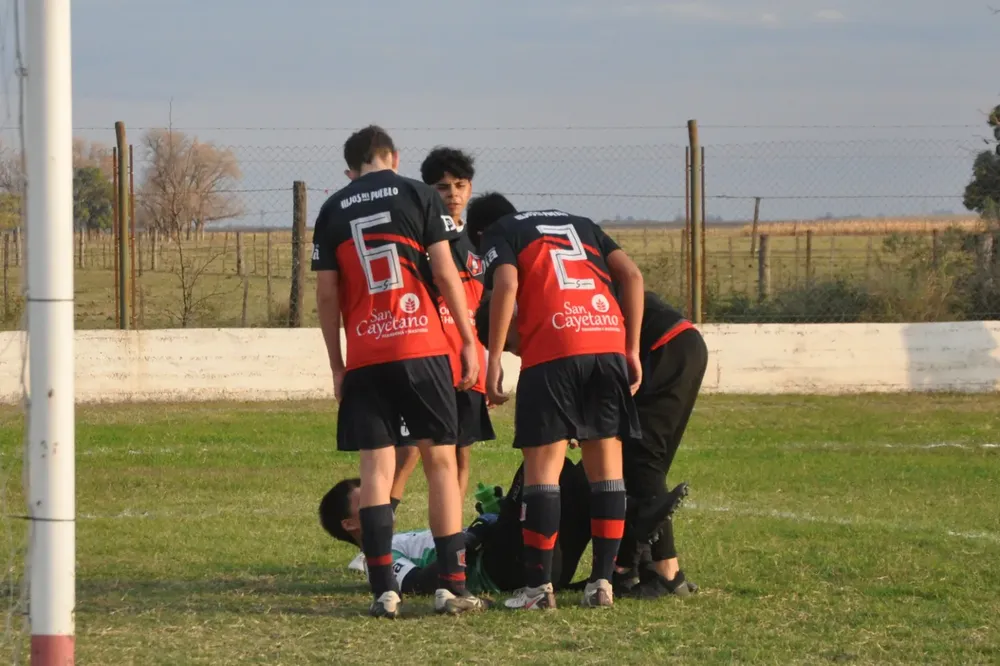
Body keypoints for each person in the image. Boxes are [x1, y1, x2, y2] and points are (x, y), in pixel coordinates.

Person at [310, 125, 488, 618]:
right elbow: (445, 271)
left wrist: (337, 365)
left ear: (351, 169)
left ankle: (384, 590)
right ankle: (451, 587)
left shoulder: (332, 208)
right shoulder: (418, 194)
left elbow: (325, 295)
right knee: (440, 462)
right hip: (422, 346)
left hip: (367, 354)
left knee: (376, 469)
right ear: (394, 157)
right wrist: (467, 340)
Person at [472, 192, 646, 610]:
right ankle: (602, 584)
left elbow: (507, 283)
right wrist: (632, 348)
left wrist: (493, 359)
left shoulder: (500, 231)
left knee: (543, 474)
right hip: (605, 341)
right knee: (607, 474)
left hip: (553, 349)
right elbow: (633, 276)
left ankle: (537, 590)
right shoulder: (583, 223)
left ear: (479, 234)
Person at [474, 286, 706, 599]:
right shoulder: (558, 293)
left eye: (509, 344)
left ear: (510, 317)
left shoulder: (545, 306)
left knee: (640, 459)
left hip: (663, 347)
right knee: (626, 463)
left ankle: (667, 574)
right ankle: (627, 569)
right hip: (676, 344)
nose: (517, 353)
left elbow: (581, 353)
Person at [319, 459, 688, 598]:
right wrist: (477, 532)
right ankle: (634, 526)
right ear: (350, 524)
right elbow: (419, 583)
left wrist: (490, 519)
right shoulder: (373, 560)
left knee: (572, 475)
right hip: (503, 571)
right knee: (540, 465)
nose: (381, 497)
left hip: (535, 566)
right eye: (368, 497)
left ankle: (630, 545)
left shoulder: (404, 537)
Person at [391, 147, 495, 508]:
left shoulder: (482, 241)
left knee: (462, 452)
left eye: (460, 185)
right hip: (429, 358)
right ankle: (380, 525)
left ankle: (451, 531)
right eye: (442, 187)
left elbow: (488, 304)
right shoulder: (420, 237)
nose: (452, 194)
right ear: (428, 191)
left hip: (469, 360)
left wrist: (487, 362)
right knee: (409, 451)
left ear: (470, 188)